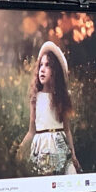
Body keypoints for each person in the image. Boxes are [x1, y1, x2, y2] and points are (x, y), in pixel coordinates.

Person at [20, 41, 81, 175]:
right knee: (47, 182)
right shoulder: (36, 98)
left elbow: (67, 129)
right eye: (41, 65)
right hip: (42, 148)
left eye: (47, 65)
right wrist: (21, 148)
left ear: (55, 71)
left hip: (60, 146)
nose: (42, 69)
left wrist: (74, 155)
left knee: (69, 177)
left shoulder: (61, 97)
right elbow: (31, 130)